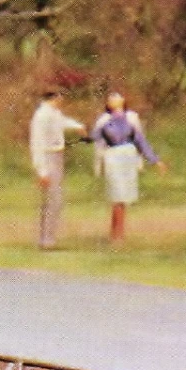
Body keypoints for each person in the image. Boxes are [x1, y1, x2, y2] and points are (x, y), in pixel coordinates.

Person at [89, 90, 161, 242]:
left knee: (124, 196)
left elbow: (140, 140)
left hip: (128, 155)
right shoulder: (104, 120)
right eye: (112, 99)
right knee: (117, 193)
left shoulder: (131, 118)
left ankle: (119, 232)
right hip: (113, 156)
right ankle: (115, 233)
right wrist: (98, 162)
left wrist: (153, 160)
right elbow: (97, 141)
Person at [28, 87, 85, 249]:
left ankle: (49, 238)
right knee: (52, 199)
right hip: (47, 156)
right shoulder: (41, 116)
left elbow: (63, 122)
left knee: (56, 199)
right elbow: (37, 144)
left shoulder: (54, 113)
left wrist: (77, 126)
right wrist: (42, 171)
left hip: (57, 155)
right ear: (53, 98)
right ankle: (46, 240)